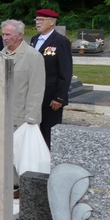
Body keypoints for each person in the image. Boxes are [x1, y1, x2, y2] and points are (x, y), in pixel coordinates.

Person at [30, 8, 73, 148]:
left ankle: (50, 158)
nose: (38, 22)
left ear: (51, 22)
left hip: (51, 96)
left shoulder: (60, 41)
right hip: (35, 94)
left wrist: (59, 97)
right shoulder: (34, 39)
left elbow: (65, 71)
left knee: (49, 132)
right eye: (37, 19)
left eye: (41, 20)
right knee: (35, 131)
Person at [1, 20, 45, 130]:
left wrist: (31, 117)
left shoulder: (33, 56)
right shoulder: (1, 53)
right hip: (3, 116)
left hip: (22, 117)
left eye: (8, 35)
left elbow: (36, 89)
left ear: (20, 35)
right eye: (3, 34)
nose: (5, 38)